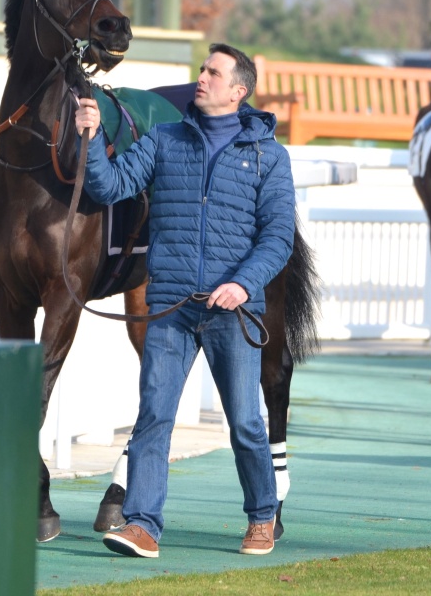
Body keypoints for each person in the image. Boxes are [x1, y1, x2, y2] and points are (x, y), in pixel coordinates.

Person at [74, 43, 296, 558]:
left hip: (233, 311)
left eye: (213, 73)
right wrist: (90, 139)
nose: (202, 78)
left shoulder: (268, 155)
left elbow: (278, 235)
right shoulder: (165, 139)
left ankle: (262, 515)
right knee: (153, 415)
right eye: (202, 70)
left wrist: (242, 284)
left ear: (239, 90)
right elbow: (111, 186)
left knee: (244, 421)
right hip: (172, 306)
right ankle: (142, 525)